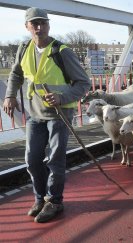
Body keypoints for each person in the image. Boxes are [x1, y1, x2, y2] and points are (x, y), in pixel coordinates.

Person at [3, 7, 91, 223]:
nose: (39, 27)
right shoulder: (24, 48)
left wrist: (62, 97)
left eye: (43, 23)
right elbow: (16, 74)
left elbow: (84, 83)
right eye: (35, 24)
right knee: (32, 160)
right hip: (34, 113)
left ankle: (55, 201)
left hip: (59, 114)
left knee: (55, 159)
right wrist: (10, 95)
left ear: (49, 25)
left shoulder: (62, 51)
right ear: (27, 27)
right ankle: (40, 198)